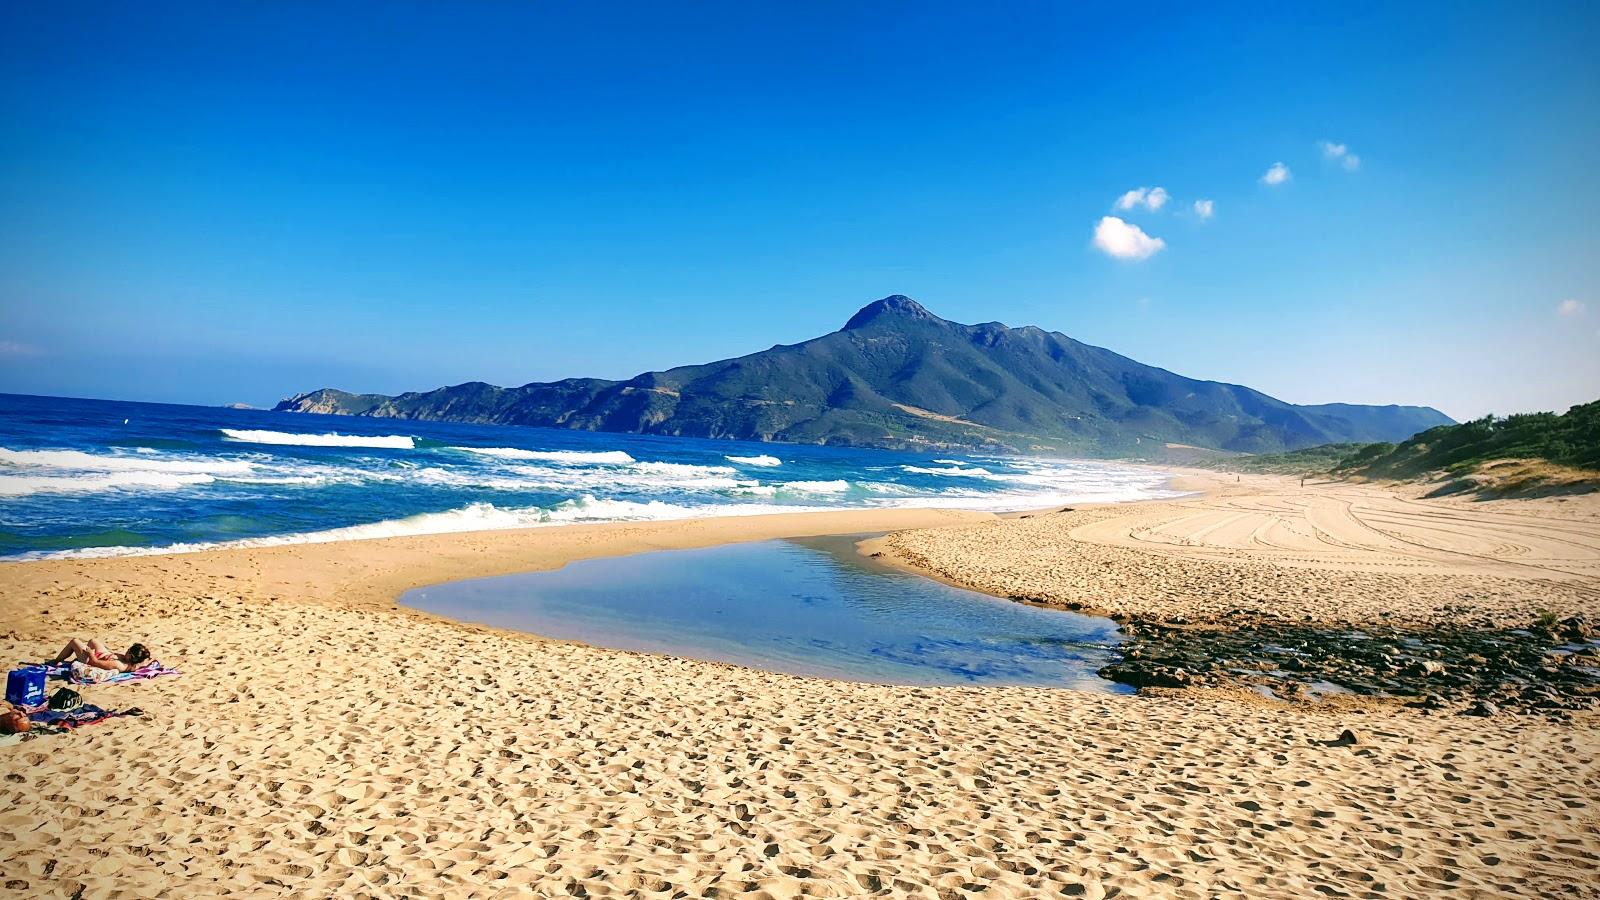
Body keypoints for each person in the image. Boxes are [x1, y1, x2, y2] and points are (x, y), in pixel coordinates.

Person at [48, 638, 151, 673]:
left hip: (91, 660)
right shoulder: (135, 664)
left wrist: (90, 654)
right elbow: (145, 661)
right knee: (93, 641)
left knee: (74, 642)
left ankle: (57, 660)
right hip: (103, 656)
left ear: (131, 656)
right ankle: (79, 655)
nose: (126, 651)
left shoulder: (118, 665)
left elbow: (95, 663)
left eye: (128, 651)